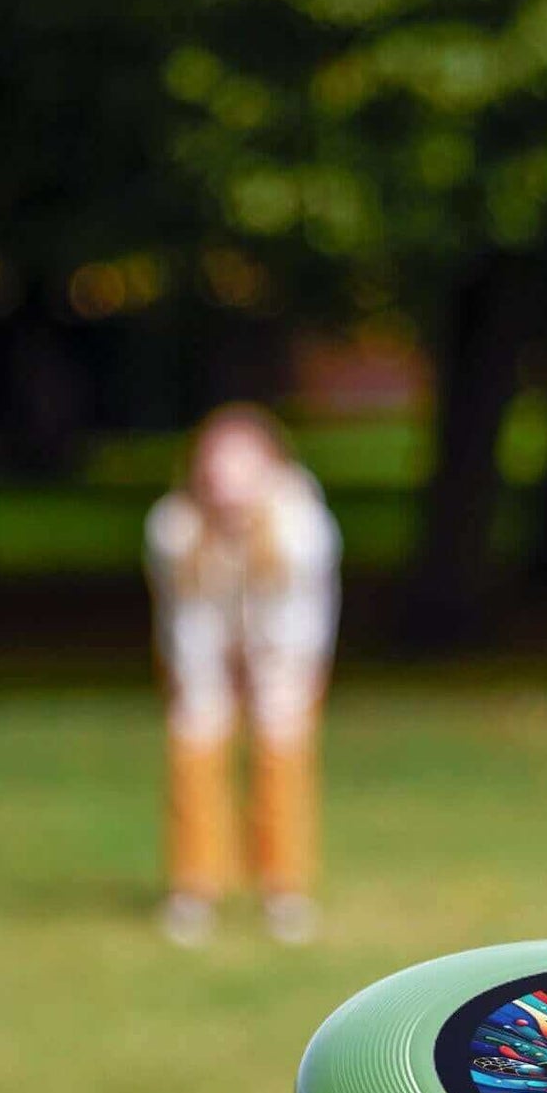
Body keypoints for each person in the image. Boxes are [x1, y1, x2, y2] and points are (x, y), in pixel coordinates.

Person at [144, 403, 341, 946]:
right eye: (217, 462)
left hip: (285, 652)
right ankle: (195, 887)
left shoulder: (302, 526)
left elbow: (299, 619)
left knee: (282, 752)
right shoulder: (174, 528)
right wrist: (202, 687)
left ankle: (284, 889)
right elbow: (187, 620)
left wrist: (277, 681)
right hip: (203, 650)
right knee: (195, 744)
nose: (227, 477)